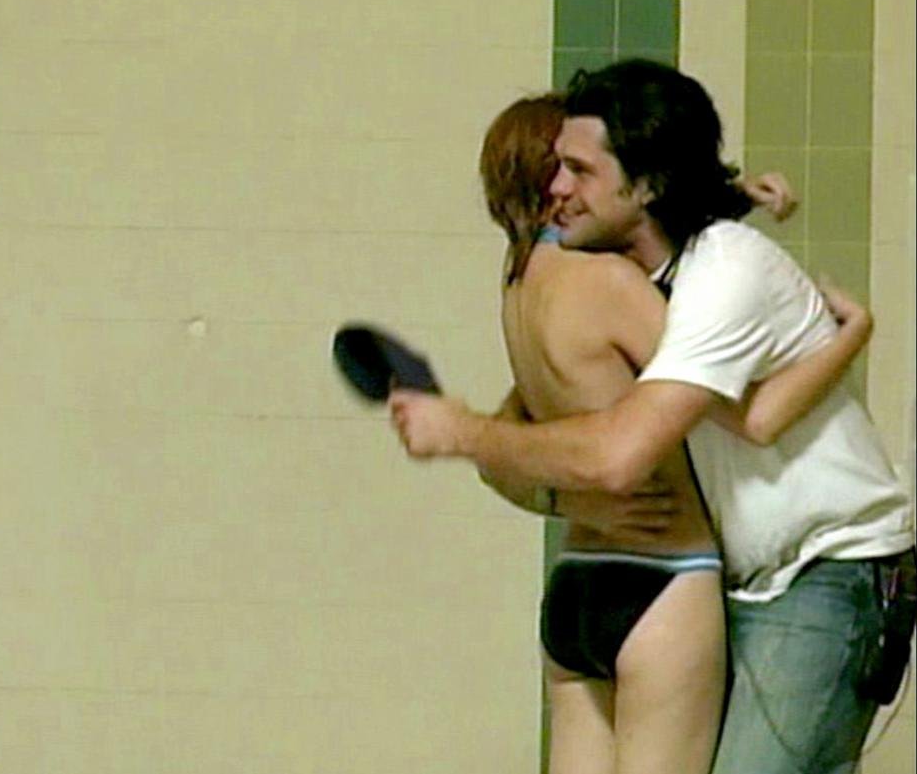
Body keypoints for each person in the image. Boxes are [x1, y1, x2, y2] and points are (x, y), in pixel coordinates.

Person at [390, 62, 916, 774]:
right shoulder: (627, 281)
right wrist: (850, 331)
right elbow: (737, 419)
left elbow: (582, 447)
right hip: (702, 575)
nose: (559, 187)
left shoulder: (692, 276)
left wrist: (471, 437)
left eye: (578, 170)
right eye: (556, 168)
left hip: (821, 566)